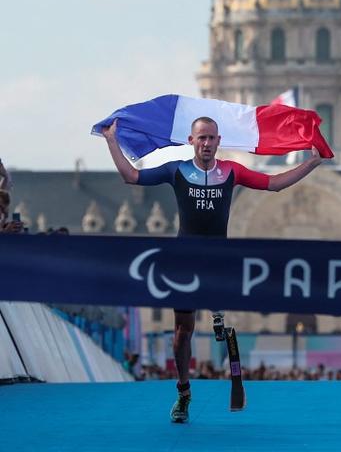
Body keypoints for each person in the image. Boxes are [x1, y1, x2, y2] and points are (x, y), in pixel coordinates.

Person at [103, 116, 325, 423]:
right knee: (183, 332)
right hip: (184, 260)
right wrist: (112, 141)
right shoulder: (176, 169)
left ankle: (218, 311)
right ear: (191, 141)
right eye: (201, 138)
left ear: (219, 142)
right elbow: (131, 176)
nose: (206, 144)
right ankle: (183, 392)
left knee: (219, 297)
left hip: (218, 259)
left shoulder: (231, 171)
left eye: (211, 138)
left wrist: (311, 163)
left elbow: (273, 184)